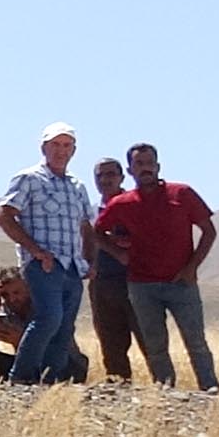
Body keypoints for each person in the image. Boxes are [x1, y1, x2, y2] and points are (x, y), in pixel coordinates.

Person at [98, 142, 219, 392]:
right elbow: (97, 232)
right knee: (155, 344)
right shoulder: (122, 203)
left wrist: (192, 267)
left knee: (195, 340)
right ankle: (165, 392)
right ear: (131, 171)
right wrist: (118, 253)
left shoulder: (182, 193)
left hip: (181, 282)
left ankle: (209, 388)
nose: (145, 168)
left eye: (149, 163)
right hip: (142, 285)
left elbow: (208, 231)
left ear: (158, 166)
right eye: (139, 164)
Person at [0, 123, 92, 385]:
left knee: (65, 325)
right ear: (44, 147)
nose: (61, 151)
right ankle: (21, 378)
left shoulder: (77, 186)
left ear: (74, 150)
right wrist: (35, 251)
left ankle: (50, 380)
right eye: (55, 145)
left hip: (72, 266)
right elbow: (4, 217)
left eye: (66, 145)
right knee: (49, 317)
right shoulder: (29, 179)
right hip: (43, 264)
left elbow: (86, 226)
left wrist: (90, 260)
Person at [0, 267, 89, 384]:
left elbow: (56, 345)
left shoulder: (47, 307)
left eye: (17, 292)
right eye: (5, 294)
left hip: (66, 363)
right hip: (31, 363)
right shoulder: (2, 312)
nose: (12, 299)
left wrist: (23, 341)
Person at [82, 157, 134, 382]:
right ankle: (118, 387)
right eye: (99, 176)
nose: (105, 180)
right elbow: (86, 242)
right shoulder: (91, 213)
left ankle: (162, 389)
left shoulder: (135, 205)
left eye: (110, 174)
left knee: (148, 336)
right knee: (110, 338)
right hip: (102, 281)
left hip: (135, 280)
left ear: (122, 177)